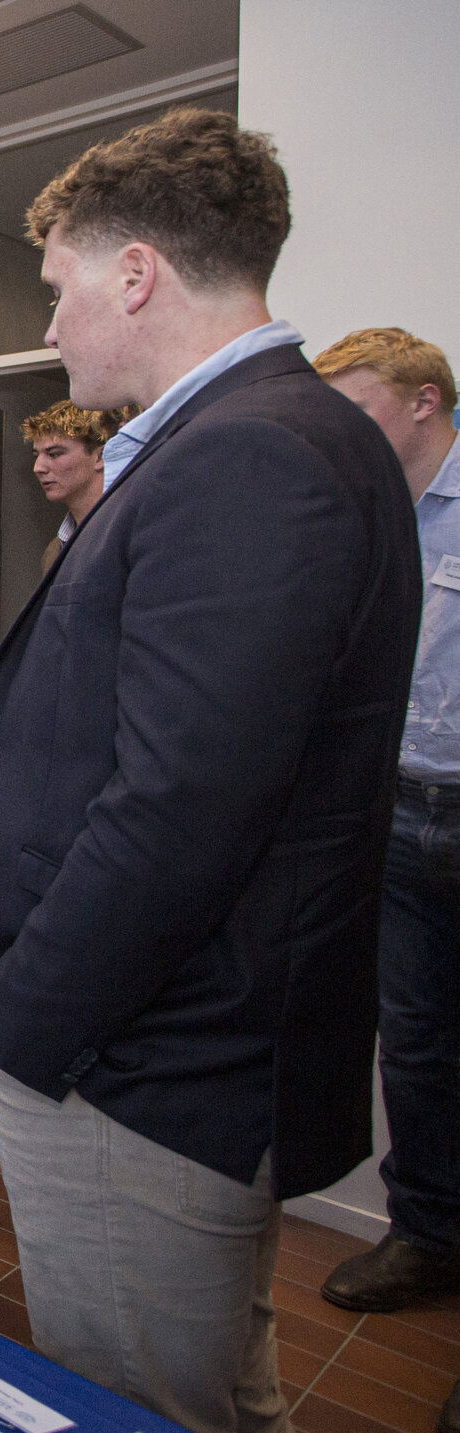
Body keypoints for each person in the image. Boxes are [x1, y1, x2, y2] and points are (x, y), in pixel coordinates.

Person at [0, 111, 418, 1433]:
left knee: (130, 1402)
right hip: (155, 1043)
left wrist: (32, 1015)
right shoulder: (253, 438)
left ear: (133, 273)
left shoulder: (252, 451)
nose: (54, 327)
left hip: (139, 1062)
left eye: (57, 290)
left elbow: (184, 807)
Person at [309, 327, 460, 1314]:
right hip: (394, 809)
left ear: (421, 401)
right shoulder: (358, 515)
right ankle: (426, 1235)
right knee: (410, 1040)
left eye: (353, 409)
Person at [24, 400, 132, 568]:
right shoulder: (54, 552)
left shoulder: (130, 534)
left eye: (54, 454)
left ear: (100, 456)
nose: (38, 468)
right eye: (36, 455)